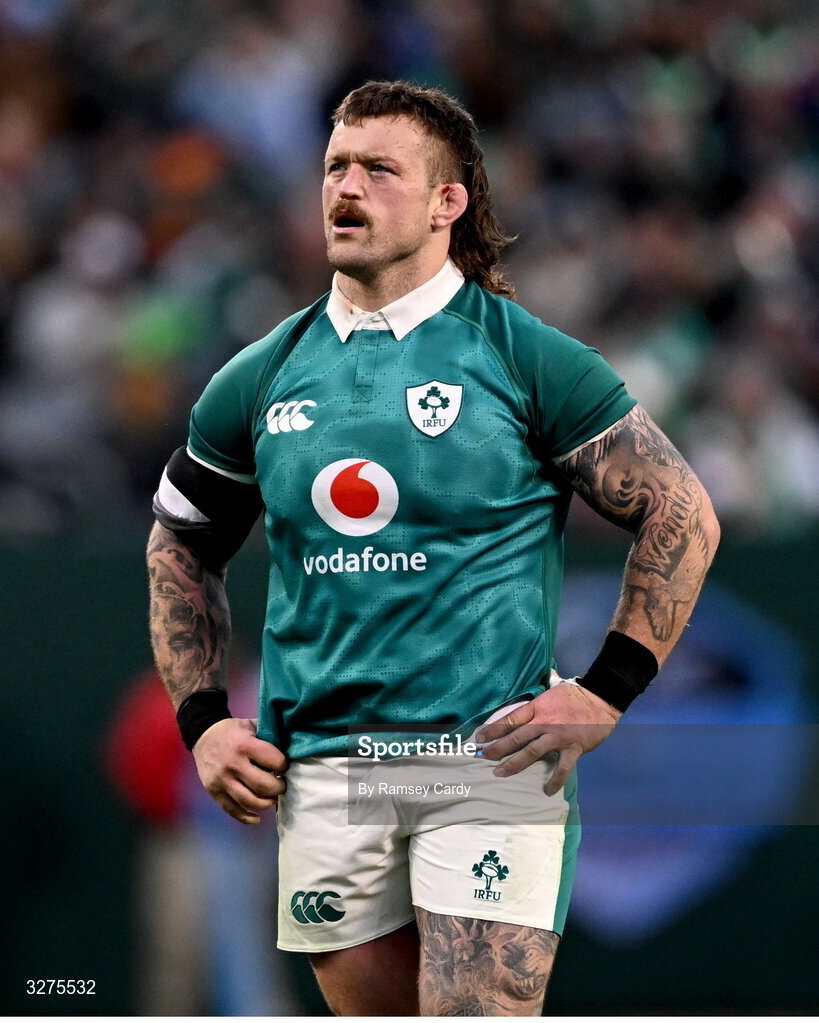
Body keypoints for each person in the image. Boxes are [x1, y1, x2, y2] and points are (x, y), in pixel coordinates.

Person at [146, 80, 720, 1016]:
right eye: (335, 166)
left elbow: (682, 513)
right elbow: (178, 545)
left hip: (484, 759)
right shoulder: (259, 376)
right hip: (325, 767)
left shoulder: (525, 356)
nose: (346, 187)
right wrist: (204, 719)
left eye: (379, 169)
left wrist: (606, 689)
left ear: (446, 201)